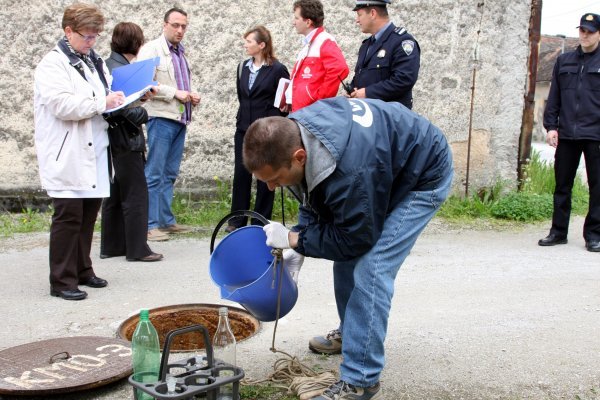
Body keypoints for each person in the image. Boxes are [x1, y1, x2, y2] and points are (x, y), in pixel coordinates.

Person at [243, 97, 453, 399]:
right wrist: (302, 236)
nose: (272, 188)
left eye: (275, 179)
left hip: (422, 175)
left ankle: (361, 380)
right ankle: (352, 333)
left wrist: (295, 240)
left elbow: (355, 238)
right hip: (383, 167)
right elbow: (311, 196)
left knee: (371, 267)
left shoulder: (349, 170)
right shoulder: (293, 132)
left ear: (299, 156)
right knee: (346, 259)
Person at [33, 3, 125, 301]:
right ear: (68, 31)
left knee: (88, 215)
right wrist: (103, 103)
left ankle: (83, 269)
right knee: (68, 216)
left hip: (94, 148)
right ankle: (61, 280)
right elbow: (62, 105)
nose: (92, 41)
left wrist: (123, 97)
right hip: (67, 152)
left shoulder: (90, 61)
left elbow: (105, 91)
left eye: (96, 36)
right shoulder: (52, 64)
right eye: (87, 36)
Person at [100, 22, 163, 262]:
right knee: (136, 193)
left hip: (112, 138)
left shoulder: (108, 65)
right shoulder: (122, 70)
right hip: (126, 138)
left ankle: (112, 245)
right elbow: (121, 109)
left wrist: (141, 99)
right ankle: (138, 249)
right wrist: (145, 112)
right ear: (137, 44)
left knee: (115, 193)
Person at [137, 7, 200, 242]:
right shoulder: (152, 50)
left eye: (184, 26)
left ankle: (165, 220)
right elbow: (146, 83)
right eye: (175, 25)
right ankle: (149, 225)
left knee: (169, 173)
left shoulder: (180, 53)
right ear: (164, 25)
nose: (180, 30)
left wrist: (190, 95)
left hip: (179, 118)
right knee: (154, 172)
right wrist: (176, 93)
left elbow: (179, 85)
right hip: (161, 118)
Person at [539, 13, 600, 253]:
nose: (584, 35)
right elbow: (554, 97)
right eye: (582, 30)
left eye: (590, 31)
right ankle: (558, 232)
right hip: (567, 133)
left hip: (595, 134)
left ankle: (594, 235)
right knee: (562, 185)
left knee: (597, 187)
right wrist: (551, 127)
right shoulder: (564, 61)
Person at [226, 26, 290, 233]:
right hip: (244, 128)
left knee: (266, 175)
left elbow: (282, 101)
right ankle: (237, 220)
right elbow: (242, 96)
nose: (245, 45)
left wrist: (273, 124)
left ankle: (260, 220)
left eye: (249, 41)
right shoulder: (242, 67)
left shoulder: (278, 69)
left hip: (266, 132)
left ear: (261, 45)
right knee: (241, 173)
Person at [347, 0, 420, 109]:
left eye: (359, 15)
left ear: (372, 13)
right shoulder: (366, 45)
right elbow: (362, 76)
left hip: (392, 118)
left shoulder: (402, 42)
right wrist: (352, 91)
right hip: (369, 116)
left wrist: (367, 93)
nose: (357, 20)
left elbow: (403, 80)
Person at [283, 0, 349, 112]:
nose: (293, 23)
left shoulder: (324, 40)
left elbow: (340, 69)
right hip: (302, 111)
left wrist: (320, 100)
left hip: (311, 113)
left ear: (308, 22)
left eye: (296, 18)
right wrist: (290, 100)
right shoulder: (308, 45)